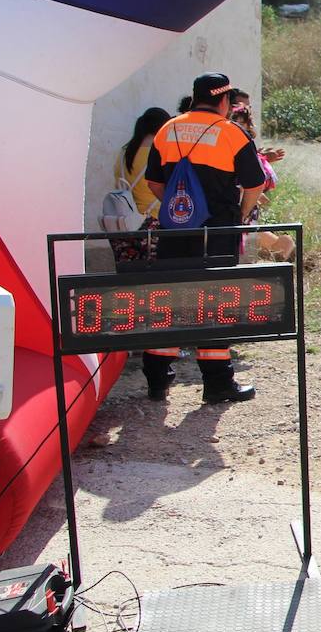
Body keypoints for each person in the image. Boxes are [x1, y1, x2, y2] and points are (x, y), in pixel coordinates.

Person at [143, 73, 267, 404]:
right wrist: (240, 214)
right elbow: (255, 184)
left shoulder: (167, 129)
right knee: (215, 301)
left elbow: (153, 182)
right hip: (217, 231)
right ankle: (217, 383)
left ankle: (157, 379)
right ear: (224, 101)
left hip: (176, 228)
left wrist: (176, 204)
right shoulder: (231, 133)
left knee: (169, 299)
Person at [229, 99, 296, 262]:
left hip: (242, 206)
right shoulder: (233, 143)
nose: (236, 125)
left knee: (245, 239)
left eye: (241, 123)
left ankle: (283, 250)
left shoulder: (244, 145)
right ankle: (283, 248)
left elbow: (249, 176)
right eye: (233, 121)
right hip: (238, 204)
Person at [108, 107, 171, 266]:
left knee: (129, 277)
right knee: (154, 280)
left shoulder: (124, 152)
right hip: (152, 222)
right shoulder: (161, 153)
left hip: (124, 222)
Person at [229, 88, 286, 164]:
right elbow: (236, 163)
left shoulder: (244, 129)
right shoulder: (226, 131)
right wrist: (262, 158)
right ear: (228, 107)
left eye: (248, 107)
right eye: (240, 107)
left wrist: (258, 154)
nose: (246, 111)